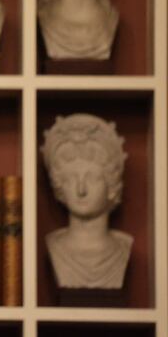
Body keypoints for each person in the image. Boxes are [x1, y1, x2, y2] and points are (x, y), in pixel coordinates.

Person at [41, 113, 132, 289]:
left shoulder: (123, 248)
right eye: (70, 179)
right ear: (59, 186)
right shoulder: (53, 246)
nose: (80, 190)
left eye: (92, 178)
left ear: (111, 186)